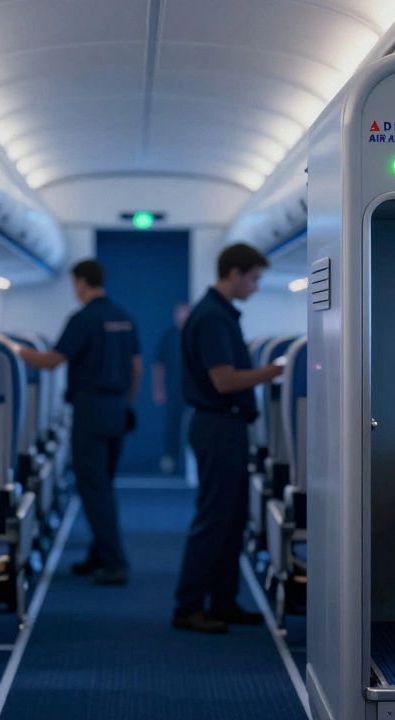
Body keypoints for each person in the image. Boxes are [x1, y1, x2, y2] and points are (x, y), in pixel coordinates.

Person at [172, 243, 283, 633]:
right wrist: (272, 370)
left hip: (226, 426)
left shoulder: (219, 315)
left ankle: (222, 601)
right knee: (214, 518)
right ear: (233, 273)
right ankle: (188, 607)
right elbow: (224, 380)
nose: (254, 287)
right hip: (218, 426)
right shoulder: (213, 318)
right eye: (253, 279)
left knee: (233, 518)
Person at [11, 259, 142, 585]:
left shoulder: (84, 319)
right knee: (103, 486)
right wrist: (127, 402)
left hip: (91, 412)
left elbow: (51, 361)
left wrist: (15, 349)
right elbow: (136, 366)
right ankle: (100, 553)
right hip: (117, 410)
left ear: (81, 283)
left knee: (93, 488)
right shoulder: (123, 317)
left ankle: (115, 563)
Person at [152, 301, 189, 475]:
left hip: (193, 391)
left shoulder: (195, 336)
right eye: (179, 313)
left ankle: (190, 461)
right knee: (172, 424)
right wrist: (158, 389)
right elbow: (159, 365)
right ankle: (170, 458)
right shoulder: (168, 336)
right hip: (174, 389)